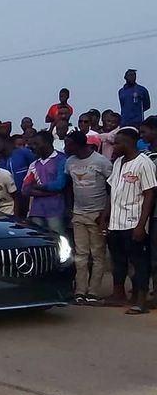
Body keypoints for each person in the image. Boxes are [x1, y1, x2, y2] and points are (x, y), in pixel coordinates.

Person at [103, 127, 157, 313]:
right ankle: (118, 295)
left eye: (117, 143)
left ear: (128, 143)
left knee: (138, 263)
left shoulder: (144, 163)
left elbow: (149, 194)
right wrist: (106, 215)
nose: (114, 146)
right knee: (118, 261)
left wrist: (142, 225)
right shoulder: (118, 162)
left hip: (133, 222)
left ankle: (140, 300)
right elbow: (113, 190)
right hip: (116, 222)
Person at [64, 131, 113, 304]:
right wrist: (70, 208)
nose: (65, 147)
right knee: (81, 254)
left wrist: (105, 213)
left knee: (98, 254)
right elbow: (68, 186)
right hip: (79, 214)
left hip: (97, 214)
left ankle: (93, 292)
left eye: (68, 144)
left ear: (77, 144)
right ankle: (80, 291)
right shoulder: (70, 162)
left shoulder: (101, 162)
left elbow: (111, 189)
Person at [22, 130, 68, 235]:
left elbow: (59, 185)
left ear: (47, 143)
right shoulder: (34, 164)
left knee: (58, 241)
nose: (33, 147)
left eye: (36, 144)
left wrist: (37, 187)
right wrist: (49, 192)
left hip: (56, 210)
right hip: (36, 211)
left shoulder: (61, 159)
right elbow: (25, 189)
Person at [0, 134, 35, 217]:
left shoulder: (23, 153)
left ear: (5, 142)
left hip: (29, 200)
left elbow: (36, 169)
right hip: (10, 205)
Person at [139, 116, 157, 303]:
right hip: (147, 212)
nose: (141, 136)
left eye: (144, 132)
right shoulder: (144, 156)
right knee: (150, 254)